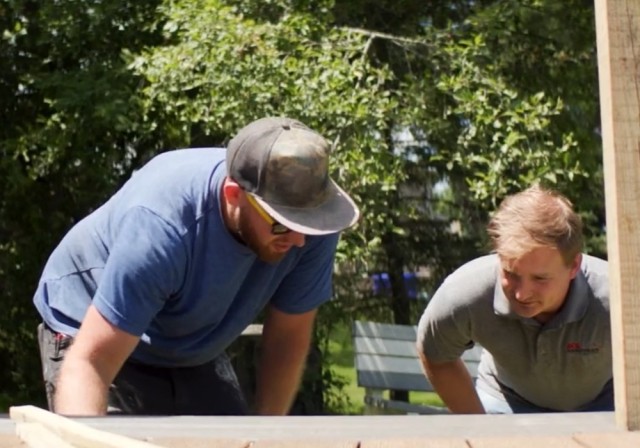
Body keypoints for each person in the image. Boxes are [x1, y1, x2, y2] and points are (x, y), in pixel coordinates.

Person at [33, 116, 360, 416]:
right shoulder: (163, 228)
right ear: (234, 195)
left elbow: (288, 336)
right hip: (92, 330)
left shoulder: (312, 224)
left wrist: (265, 435)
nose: (298, 240)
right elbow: (91, 362)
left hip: (189, 343)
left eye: (306, 224)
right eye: (281, 223)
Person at [416, 185, 612, 413]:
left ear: (574, 266)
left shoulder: (618, 296)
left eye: (540, 278)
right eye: (510, 274)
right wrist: (478, 427)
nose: (521, 294)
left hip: (605, 403)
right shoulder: (465, 293)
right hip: (505, 400)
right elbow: (436, 354)